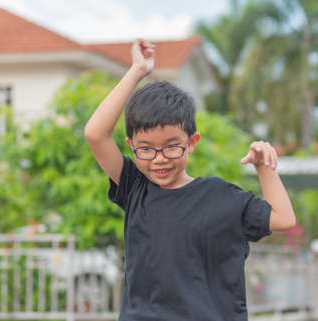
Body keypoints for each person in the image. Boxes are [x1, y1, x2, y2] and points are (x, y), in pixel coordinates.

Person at [84, 38, 296, 321]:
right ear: (131, 145)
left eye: (172, 146)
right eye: (146, 148)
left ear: (192, 142)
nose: (159, 159)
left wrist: (264, 167)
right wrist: (137, 70)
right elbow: (95, 134)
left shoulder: (221, 197)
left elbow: (284, 219)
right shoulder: (136, 188)